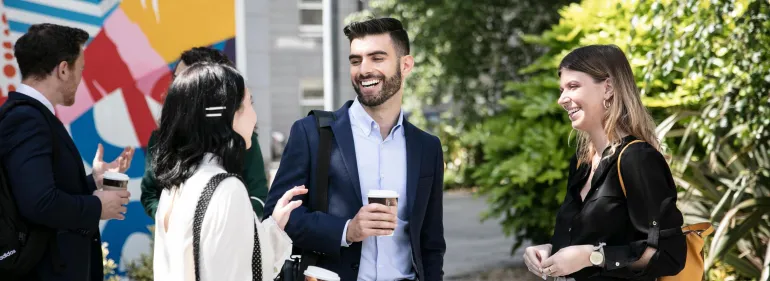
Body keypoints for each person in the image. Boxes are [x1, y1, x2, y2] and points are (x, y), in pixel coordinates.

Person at [265, 17, 446, 281]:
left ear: (405, 65)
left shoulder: (427, 147)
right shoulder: (312, 133)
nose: (364, 70)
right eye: (355, 60)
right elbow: (277, 216)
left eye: (377, 58)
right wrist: (346, 230)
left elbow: (431, 243)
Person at [523, 45, 687, 281]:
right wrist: (550, 252)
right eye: (562, 89)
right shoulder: (582, 163)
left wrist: (593, 256)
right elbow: (586, 242)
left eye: (573, 86)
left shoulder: (637, 158)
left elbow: (669, 255)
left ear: (608, 88)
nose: (561, 99)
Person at [0, 23, 135, 281]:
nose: (80, 78)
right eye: (80, 70)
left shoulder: (28, 116)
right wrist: (96, 206)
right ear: (63, 69)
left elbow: (35, 191)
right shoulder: (28, 119)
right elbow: (39, 203)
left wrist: (94, 181)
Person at [150, 62, 306, 281]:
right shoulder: (226, 188)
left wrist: (274, 227)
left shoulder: (176, 185)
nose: (254, 116)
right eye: (249, 103)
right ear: (228, 115)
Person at [140, 47, 269, 219]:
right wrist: (172, 220)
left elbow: (258, 193)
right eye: (176, 78)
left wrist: (239, 222)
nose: (178, 85)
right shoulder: (162, 140)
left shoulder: (243, 141)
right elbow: (151, 193)